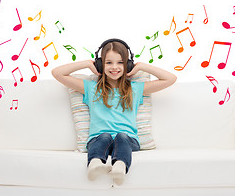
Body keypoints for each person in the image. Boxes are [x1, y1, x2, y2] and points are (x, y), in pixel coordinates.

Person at [52, 38, 177, 185]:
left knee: (121, 136)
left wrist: (141, 66)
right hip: (98, 139)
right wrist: (87, 63)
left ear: (128, 65)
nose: (114, 67)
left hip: (128, 140)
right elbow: (57, 73)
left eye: (120, 62)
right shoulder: (91, 88)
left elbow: (170, 78)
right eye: (108, 62)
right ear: (100, 65)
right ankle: (95, 163)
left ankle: (120, 166)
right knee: (104, 136)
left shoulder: (135, 89)